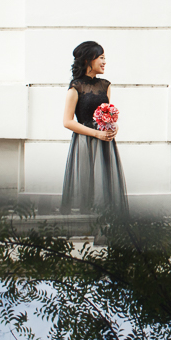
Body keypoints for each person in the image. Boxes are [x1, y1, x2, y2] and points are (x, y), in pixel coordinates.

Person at [61, 41, 128, 215]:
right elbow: (67, 121)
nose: (104, 62)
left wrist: (114, 128)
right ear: (88, 60)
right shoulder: (75, 87)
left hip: (105, 141)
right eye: (101, 57)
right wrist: (96, 133)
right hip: (85, 141)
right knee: (87, 183)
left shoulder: (105, 85)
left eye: (104, 57)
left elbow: (108, 114)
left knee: (104, 184)